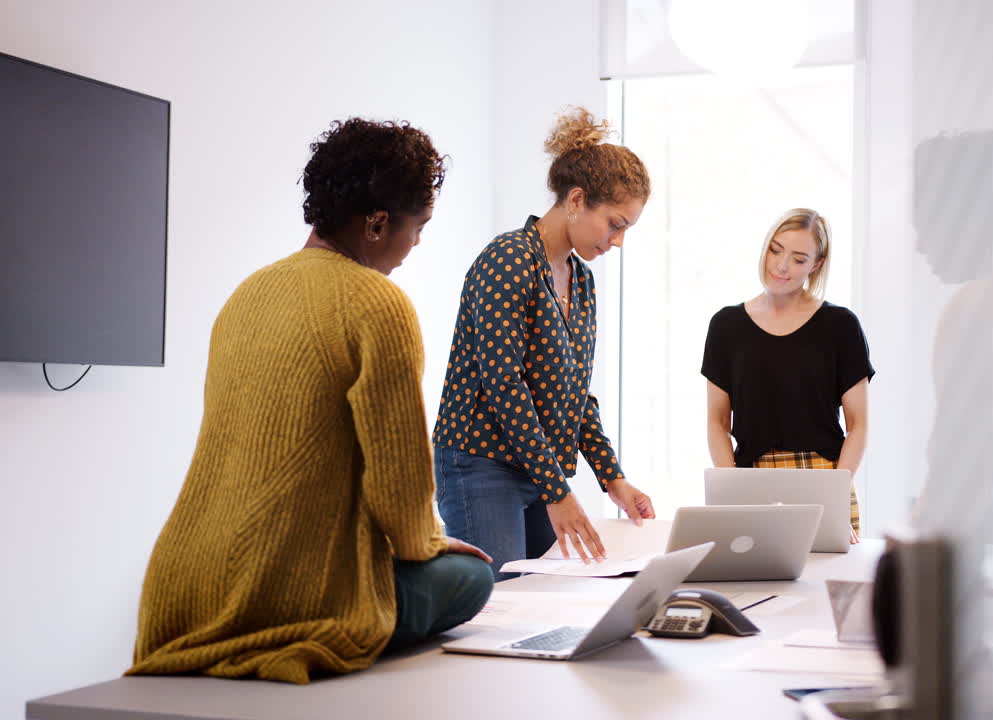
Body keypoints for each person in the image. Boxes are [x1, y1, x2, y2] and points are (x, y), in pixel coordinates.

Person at [128, 119, 494, 684]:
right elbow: (398, 485)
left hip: (183, 588)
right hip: (292, 592)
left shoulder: (245, 294)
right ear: (376, 224)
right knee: (472, 579)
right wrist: (429, 542)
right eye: (418, 227)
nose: (416, 244)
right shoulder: (379, 302)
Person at [433, 107, 655, 580]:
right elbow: (502, 384)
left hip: (536, 469)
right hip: (481, 464)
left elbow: (575, 394)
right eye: (615, 224)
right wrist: (558, 492)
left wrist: (613, 478)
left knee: (545, 603)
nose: (617, 241)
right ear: (577, 199)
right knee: (500, 608)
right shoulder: (508, 259)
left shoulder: (582, 280)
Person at [702, 208, 873, 541]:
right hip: (750, 480)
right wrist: (733, 491)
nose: (781, 266)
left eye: (798, 259)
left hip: (824, 480)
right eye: (776, 250)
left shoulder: (841, 326)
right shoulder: (726, 326)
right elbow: (716, 422)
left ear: (816, 264)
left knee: (827, 590)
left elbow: (859, 424)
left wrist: (833, 496)